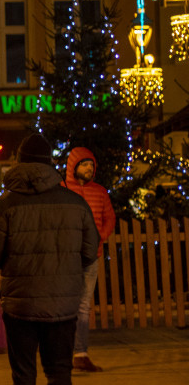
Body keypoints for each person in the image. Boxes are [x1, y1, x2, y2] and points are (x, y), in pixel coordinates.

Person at [0, 133, 99, 385]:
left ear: (19, 163)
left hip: (21, 304)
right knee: (59, 368)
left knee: (24, 374)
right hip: (63, 304)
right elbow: (90, 252)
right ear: (50, 164)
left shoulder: (6, 205)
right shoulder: (75, 203)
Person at [62, 146, 115, 373]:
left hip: (92, 256)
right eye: (84, 164)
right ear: (73, 166)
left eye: (91, 164)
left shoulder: (100, 192)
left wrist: (99, 236)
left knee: (84, 305)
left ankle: (80, 354)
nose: (89, 168)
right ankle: (63, 354)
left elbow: (109, 217)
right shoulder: (62, 190)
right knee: (65, 304)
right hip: (67, 256)